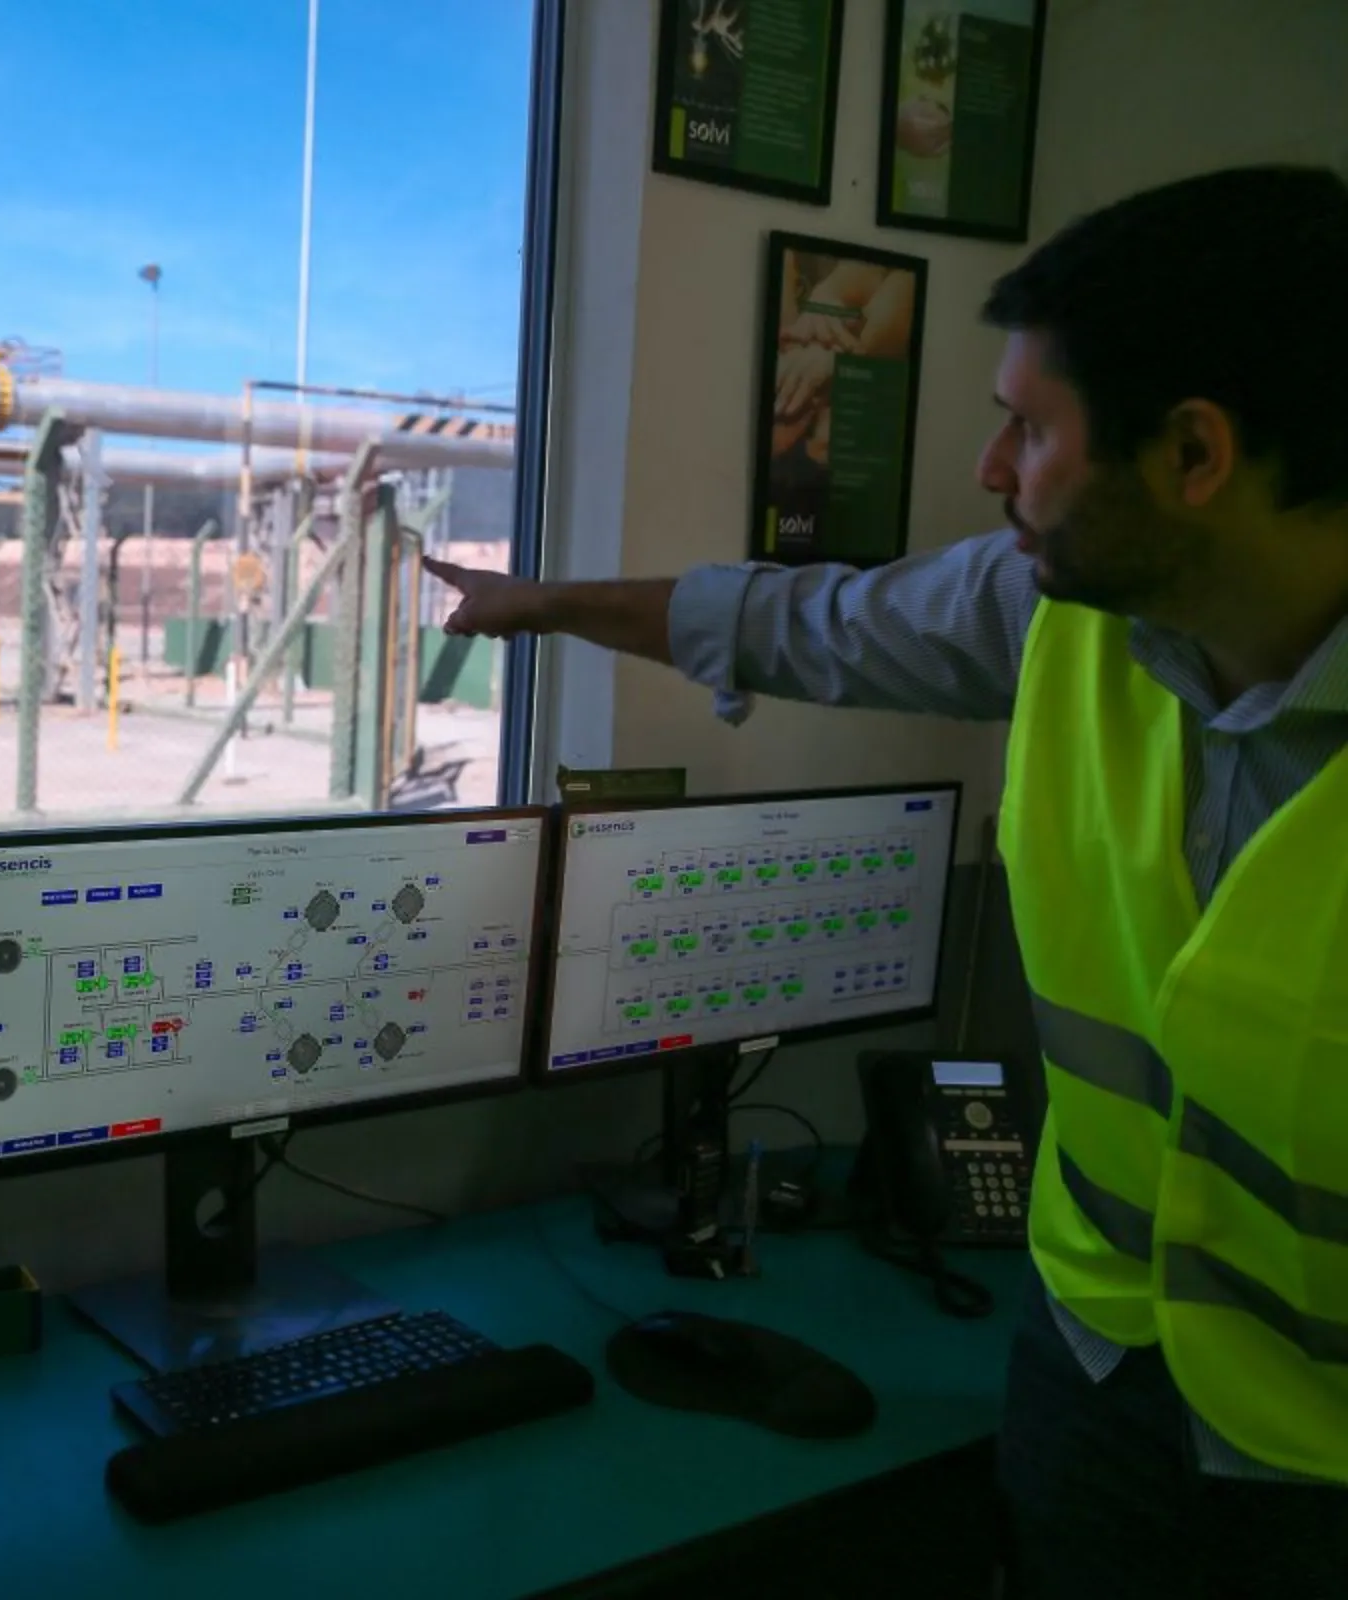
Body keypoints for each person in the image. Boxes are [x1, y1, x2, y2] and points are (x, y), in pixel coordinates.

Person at [425, 164, 1348, 1597]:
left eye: (1029, 430)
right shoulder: (1060, 615)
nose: (992, 473)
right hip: (1098, 1351)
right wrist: (541, 605)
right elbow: (807, 621)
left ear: (1196, 455)